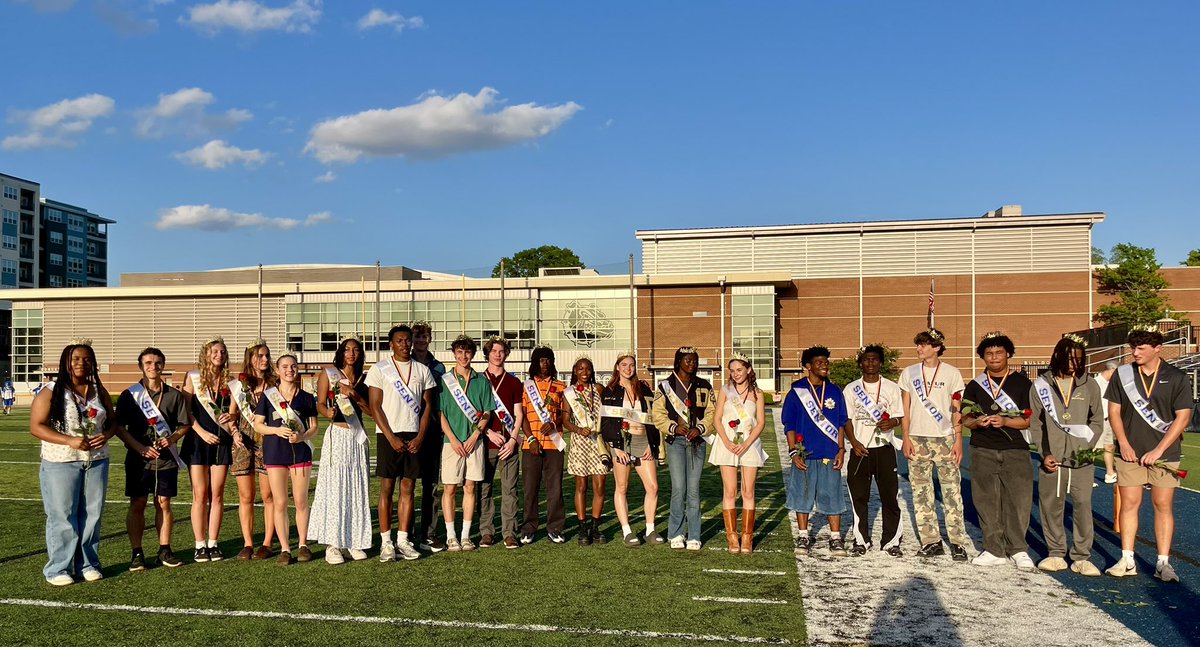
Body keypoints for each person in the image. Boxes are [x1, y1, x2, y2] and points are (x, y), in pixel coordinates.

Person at [1105, 328, 1194, 582]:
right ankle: (1127, 559)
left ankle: (1163, 564)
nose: (1135, 353)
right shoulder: (1123, 375)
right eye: (1133, 348)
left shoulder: (1176, 376)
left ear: (1158, 349)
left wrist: (1158, 450)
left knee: (1162, 505)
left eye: (1141, 348)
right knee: (1130, 504)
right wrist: (1123, 443)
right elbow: (1114, 412)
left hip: (1165, 454)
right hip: (1129, 452)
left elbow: (1183, 417)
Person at [30, 339, 116, 585]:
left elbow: (112, 421)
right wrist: (69, 441)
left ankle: (88, 563)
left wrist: (106, 435)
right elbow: (36, 426)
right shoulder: (51, 390)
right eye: (76, 358)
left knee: (92, 514)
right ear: (65, 362)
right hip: (60, 460)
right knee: (63, 514)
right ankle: (59, 568)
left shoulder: (98, 390)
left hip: (97, 459)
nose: (81, 363)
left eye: (87, 359)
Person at [1029, 335, 1104, 576]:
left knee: (1082, 506)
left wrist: (1086, 447)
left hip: (1081, 460)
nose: (1074, 364)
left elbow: (1097, 421)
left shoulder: (1089, 384)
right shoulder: (1041, 385)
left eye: (1079, 360)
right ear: (1058, 356)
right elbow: (1036, 425)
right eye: (1070, 358)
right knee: (1052, 506)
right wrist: (1045, 453)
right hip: (1052, 459)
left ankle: (1082, 556)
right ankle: (1055, 553)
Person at [961, 332, 1035, 570]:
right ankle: (994, 549)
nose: (994, 357)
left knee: (1019, 501)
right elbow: (965, 418)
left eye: (999, 352)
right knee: (986, 500)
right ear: (983, 357)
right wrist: (977, 422)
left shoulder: (1023, 383)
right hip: (983, 448)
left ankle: (1018, 549)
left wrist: (1005, 422)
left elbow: (1028, 421)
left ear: (1008, 355)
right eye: (989, 353)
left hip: (1016, 449)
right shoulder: (974, 385)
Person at [114, 347, 191, 570]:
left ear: (163, 366)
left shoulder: (174, 395)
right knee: (137, 503)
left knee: (163, 503)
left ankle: (164, 550)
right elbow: (119, 427)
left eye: (157, 363)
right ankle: (137, 553)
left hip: (166, 459)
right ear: (141, 366)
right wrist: (139, 448)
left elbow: (184, 424)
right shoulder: (131, 395)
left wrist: (173, 438)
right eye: (148, 363)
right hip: (139, 459)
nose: (153, 367)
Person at [899, 328, 971, 561]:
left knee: (952, 492)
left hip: (945, 438)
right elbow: (905, 410)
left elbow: (957, 409)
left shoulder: (952, 373)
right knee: (921, 494)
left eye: (924, 345)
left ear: (937, 347)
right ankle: (931, 542)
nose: (919, 348)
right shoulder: (909, 373)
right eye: (918, 344)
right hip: (917, 439)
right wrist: (906, 438)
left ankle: (958, 542)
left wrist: (958, 440)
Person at [367, 324, 436, 562]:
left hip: (414, 436)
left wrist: (419, 437)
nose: (405, 344)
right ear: (391, 344)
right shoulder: (379, 369)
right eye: (399, 341)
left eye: (407, 340)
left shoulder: (422, 370)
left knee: (408, 488)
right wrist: (391, 437)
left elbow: (427, 408)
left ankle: (403, 540)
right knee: (387, 488)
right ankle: (386, 543)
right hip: (389, 435)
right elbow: (375, 407)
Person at [310, 337, 374, 564]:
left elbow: (371, 410)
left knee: (357, 487)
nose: (351, 353)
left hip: (357, 438)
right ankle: (333, 545)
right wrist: (326, 413)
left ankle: (354, 540)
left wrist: (355, 394)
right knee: (335, 487)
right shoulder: (329, 374)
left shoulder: (366, 379)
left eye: (356, 350)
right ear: (340, 352)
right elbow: (319, 404)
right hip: (337, 435)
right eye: (347, 349)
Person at [783, 346, 850, 557]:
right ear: (808, 366)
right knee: (802, 494)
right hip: (804, 453)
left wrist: (841, 449)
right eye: (819, 363)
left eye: (826, 362)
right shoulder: (796, 391)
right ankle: (803, 535)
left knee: (832, 495)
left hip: (829, 452)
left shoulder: (834, 391)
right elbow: (789, 424)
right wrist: (793, 452)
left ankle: (835, 538)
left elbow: (840, 423)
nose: (825, 366)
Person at [253, 354, 318, 565]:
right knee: (279, 502)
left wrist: (302, 436)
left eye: (293, 366)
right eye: (285, 366)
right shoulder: (268, 396)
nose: (290, 370)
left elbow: (314, 428)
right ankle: (284, 548)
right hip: (274, 453)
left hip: (300, 453)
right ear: (278, 370)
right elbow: (258, 425)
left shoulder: (307, 397)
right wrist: (275, 430)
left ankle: (303, 544)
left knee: (300, 501)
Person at [842, 345, 905, 557]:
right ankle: (861, 539)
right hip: (860, 450)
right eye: (866, 360)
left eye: (875, 360)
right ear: (860, 363)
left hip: (884, 449)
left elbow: (899, 416)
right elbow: (847, 419)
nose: (871, 363)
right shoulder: (851, 389)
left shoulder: (891, 387)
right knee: (859, 496)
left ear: (881, 363)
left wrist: (892, 423)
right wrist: (854, 442)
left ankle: (891, 540)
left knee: (890, 497)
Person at [652, 346, 716, 551]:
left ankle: (695, 535)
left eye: (694, 360)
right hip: (675, 442)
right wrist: (673, 428)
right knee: (679, 489)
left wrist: (700, 428)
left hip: (697, 442)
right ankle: (676, 533)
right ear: (678, 361)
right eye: (687, 360)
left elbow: (712, 413)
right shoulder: (664, 386)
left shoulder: (704, 386)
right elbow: (658, 415)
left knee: (694, 490)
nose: (692, 364)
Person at [181, 336, 236, 562]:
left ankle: (213, 543)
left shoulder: (231, 382)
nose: (219, 355)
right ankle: (199, 544)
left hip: (221, 442)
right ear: (206, 354)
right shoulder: (193, 378)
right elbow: (186, 412)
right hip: (197, 441)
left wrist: (232, 420)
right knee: (200, 494)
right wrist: (202, 432)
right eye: (215, 351)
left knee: (218, 494)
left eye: (222, 352)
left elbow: (234, 414)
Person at [438, 335, 495, 551]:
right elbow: (440, 413)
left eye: (468, 352)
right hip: (450, 442)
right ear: (454, 353)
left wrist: (474, 436)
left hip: (474, 442)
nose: (464, 356)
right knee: (450, 488)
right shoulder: (445, 381)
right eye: (460, 352)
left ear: (472, 354)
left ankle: (465, 536)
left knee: (470, 487)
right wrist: (453, 439)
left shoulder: (481, 381)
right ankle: (451, 536)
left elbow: (487, 412)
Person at [601, 353, 663, 547]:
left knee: (652, 487)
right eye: (624, 365)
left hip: (642, 440)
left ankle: (650, 529)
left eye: (632, 365)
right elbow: (605, 422)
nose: (629, 368)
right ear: (617, 367)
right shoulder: (610, 390)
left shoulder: (643, 387)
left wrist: (650, 443)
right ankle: (627, 531)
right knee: (622, 487)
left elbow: (651, 416)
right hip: (621, 442)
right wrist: (616, 447)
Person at [711, 353, 768, 554]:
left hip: (749, 445)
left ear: (749, 370)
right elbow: (717, 419)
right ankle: (732, 537)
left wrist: (746, 443)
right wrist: (726, 442)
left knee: (748, 491)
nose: (736, 374)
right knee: (729, 492)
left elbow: (760, 422)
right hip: (726, 444)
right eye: (732, 370)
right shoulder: (725, 391)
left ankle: (747, 537)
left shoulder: (758, 393)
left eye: (739, 370)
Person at [230, 339, 278, 561]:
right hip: (244, 443)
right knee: (246, 495)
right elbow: (232, 416)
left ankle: (267, 542)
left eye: (267, 355)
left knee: (268, 495)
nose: (265, 359)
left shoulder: (275, 383)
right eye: (260, 355)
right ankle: (248, 543)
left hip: (269, 442)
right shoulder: (239, 386)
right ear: (250, 359)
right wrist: (234, 431)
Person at [478, 336, 524, 549]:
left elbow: (518, 413)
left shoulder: (514, 382)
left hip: (508, 445)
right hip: (485, 444)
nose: (497, 354)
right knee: (484, 489)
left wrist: (513, 439)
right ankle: (486, 532)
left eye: (501, 351)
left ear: (506, 354)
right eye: (494, 351)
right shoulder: (478, 380)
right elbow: (474, 414)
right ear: (487, 353)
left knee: (510, 490)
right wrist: (488, 433)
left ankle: (509, 532)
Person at [520, 345, 568, 544]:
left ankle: (555, 527)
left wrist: (554, 423)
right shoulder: (526, 386)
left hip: (554, 445)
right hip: (531, 445)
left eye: (548, 359)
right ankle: (529, 528)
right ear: (534, 363)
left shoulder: (561, 386)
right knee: (530, 489)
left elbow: (565, 415)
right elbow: (521, 416)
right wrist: (530, 438)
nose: (545, 363)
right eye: (541, 360)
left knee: (555, 488)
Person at [562, 357, 610, 545]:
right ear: (575, 371)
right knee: (581, 486)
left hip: (598, 442)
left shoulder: (599, 389)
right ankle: (583, 528)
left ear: (592, 371)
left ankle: (595, 527)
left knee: (600, 486)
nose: (584, 372)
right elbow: (565, 420)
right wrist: (577, 429)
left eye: (588, 369)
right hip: (580, 442)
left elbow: (609, 409)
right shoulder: (569, 393)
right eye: (580, 368)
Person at [411, 320, 448, 552]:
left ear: (430, 339)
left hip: (432, 432)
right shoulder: (402, 364)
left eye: (425, 337)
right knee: (406, 484)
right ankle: (404, 533)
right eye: (417, 337)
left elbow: (441, 401)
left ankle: (428, 533)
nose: (421, 340)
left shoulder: (439, 367)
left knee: (431, 486)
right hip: (408, 430)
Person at [1094, 360, 1120, 484]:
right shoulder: (1095, 383)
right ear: (1112, 370)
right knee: (1094, 449)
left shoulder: (1112, 384)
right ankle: (1086, 477)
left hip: (1109, 419)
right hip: (1098, 420)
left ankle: (1110, 473)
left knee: (1109, 446)